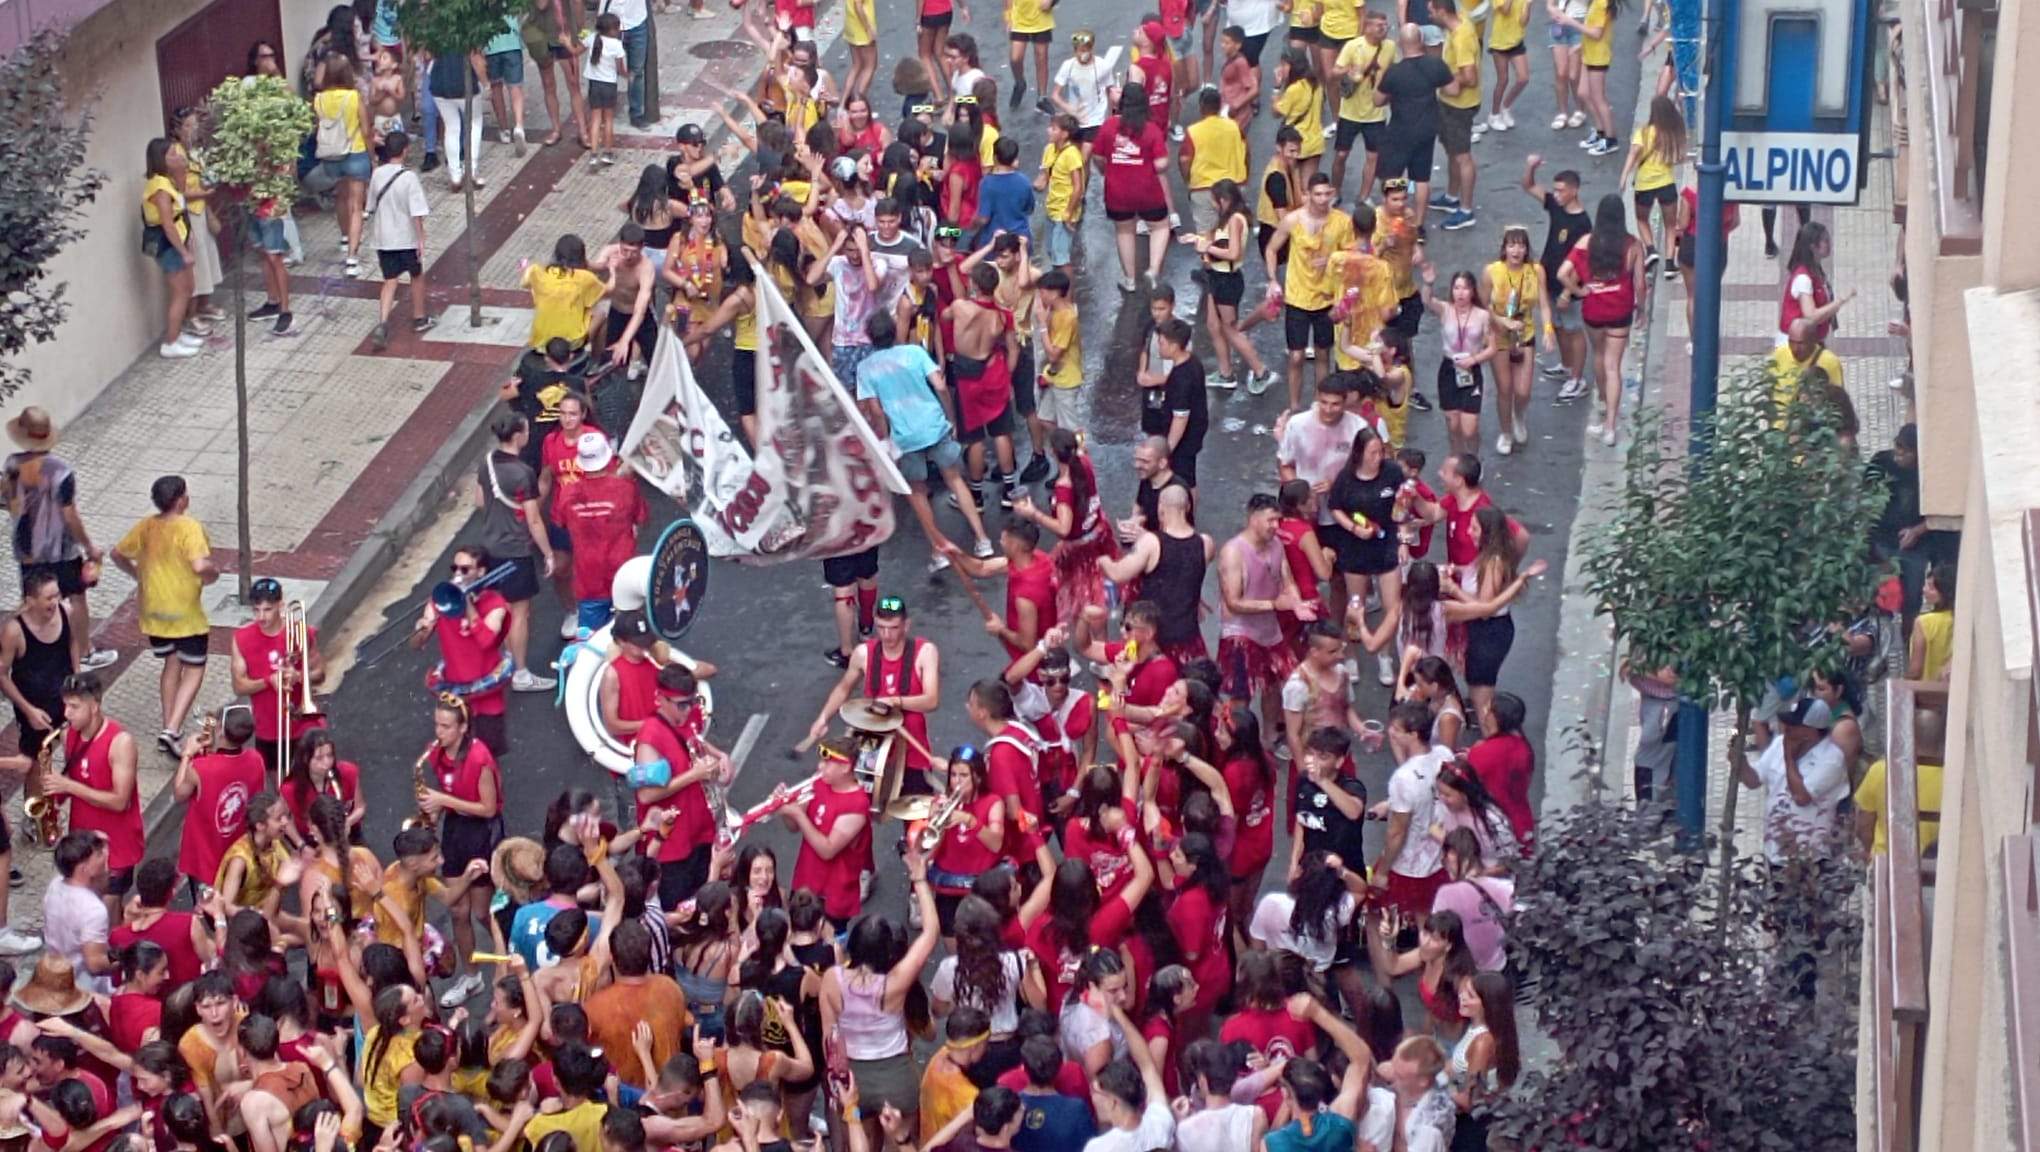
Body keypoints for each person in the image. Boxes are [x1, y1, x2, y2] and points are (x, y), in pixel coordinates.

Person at [2, 409, 114, 672]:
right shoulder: (61, 471)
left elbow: (8, 500)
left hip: (27, 549)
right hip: (59, 548)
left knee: (31, 600)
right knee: (75, 597)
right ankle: (85, 652)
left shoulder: (12, 464)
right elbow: (69, 514)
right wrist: (89, 546)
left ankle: (26, 652)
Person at [111, 477, 216, 756]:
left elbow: (117, 553)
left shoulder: (146, 526)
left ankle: (170, 728)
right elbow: (199, 564)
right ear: (181, 500)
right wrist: (212, 574)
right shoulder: (189, 527)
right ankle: (171, 729)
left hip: (153, 613)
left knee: (171, 662)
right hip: (185, 613)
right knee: (193, 668)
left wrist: (138, 576)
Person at [474, 411, 558, 692]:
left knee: (502, 607)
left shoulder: (486, 462)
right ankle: (521, 673)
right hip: (515, 550)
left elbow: (479, 501)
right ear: (518, 436)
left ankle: (508, 661)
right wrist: (547, 552)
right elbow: (534, 519)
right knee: (519, 613)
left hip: (490, 546)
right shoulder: (522, 474)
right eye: (526, 430)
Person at [1264, 174, 1356, 415]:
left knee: (1323, 353)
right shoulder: (1293, 220)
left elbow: (1352, 255)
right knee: (1296, 356)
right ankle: (1294, 405)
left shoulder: (1343, 222)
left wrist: (1333, 259)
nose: (1323, 199)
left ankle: (1320, 403)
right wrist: (1273, 280)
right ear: (1307, 195)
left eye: (1327, 194)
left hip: (1326, 297)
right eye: (1318, 194)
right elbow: (1272, 249)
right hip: (1297, 297)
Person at [1556, 194, 1643, 447]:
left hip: (1593, 309)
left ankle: (1604, 403)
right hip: (1621, 308)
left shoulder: (1586, 242)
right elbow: (1639, 283)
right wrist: (1643, 309)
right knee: (1613, 365)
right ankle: (1611, 427)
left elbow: (1562, 273)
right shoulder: (1633, 245)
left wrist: (1579, 290)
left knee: (1598, 356)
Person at [412, 543, 514, 753]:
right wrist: (421, 630)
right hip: (454, 696)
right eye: (455, 568)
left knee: (486, 762)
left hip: (487, 698)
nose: (458, 574)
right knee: (456, 758)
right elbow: (416, 643)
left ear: (481, 572)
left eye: (465, 569)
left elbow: (487, 642)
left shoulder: (495, 603)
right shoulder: (440, 600)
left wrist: (467, 605)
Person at [0, 569, 78, 840]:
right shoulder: (14, 630)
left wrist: (76, 684)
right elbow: (2, 674)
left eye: (56, 595)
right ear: (30, 600)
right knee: (34, 762)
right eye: (48, 598)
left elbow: (73, 645)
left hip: (64, 700)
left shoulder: (65, 612)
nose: (54, 602)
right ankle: (32, 815)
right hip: (34, 709)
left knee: (69, 752)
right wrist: (28, 709)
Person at [1100, 486, 1213, 667]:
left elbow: (1118, 574)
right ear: (1188, 508)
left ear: (1161, 509)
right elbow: (1187, 574)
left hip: (1153, 641)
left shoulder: (1152, 543)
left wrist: (1102, 559)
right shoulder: (1206, 543)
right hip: (1188, 639)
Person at [1732, 696, 1851, 862]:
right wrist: (1740, 762)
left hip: (1810, 858)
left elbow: (1801, 797)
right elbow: (1754, 780)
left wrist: (1789, 757)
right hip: (1774, 852)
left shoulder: (1832, 759)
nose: (1786, 727)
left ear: (1811, 731)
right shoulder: (1779, 742)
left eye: (1794, 725)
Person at [171, 705, 264, 898]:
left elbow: (179, 794)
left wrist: (187, 754)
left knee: (206, 912)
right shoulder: (256, 760)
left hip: (205, 857)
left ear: (221, 732)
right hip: (238, 851)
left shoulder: (200, 768)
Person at [1520, 156, 1593, 402]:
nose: (1556, 194)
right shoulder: (1555, 206)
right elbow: (1529, 186)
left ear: (1574, 190)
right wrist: (1530, 167)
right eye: (1555, 189)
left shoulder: (1583, 223)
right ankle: (1566, 365)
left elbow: (1581, 259)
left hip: (1567, 287)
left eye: (1561, 190)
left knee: (1573, 330)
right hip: (1548, 279)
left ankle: (1577, 378)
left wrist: (1566, 292)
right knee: (1559, 326)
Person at [1090, 85, 1174, 292]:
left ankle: (1129, 279)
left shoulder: (1109, 126)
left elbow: (1098, 157)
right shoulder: (1151, 129)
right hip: (1148, 190)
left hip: (1117, 191)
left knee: (1124, 231)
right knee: (1160, 226)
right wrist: (1149, 166)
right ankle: (1153, 270)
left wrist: (1108, 170)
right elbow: (1162, 163)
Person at [1371, 24, 1451, 230]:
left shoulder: (1395, 72)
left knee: (1392, 176)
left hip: (1399, 130)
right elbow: (1452, 88)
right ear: (1421, 41)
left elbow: (1377, 101)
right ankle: (1419, 225)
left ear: (1400, 43)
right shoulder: (1436, 65)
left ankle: (1391, 222)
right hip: (1426, 129)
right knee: (1422, 178)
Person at [1483, 226, 1552, 456]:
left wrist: (1548, 330)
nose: (1516, 250)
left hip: (1524, 332)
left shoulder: (1535, 271)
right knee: (1504, 389)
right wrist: (1501, 321)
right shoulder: (1492, 271)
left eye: (1521, 245)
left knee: (1522, 390)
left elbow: (1543, 303)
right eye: (1511, 245)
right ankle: (1505, 432)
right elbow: (1483, 305)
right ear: (1504, 248)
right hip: (1499, 334)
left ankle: (1519, 416)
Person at [1417, 265, 1497, 457]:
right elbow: (1427, 300)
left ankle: (1473, 457)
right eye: (1457, 288)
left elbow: (1493, 348)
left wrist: (1474, 359)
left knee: (1469, 428)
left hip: (1471, 370)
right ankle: (1457, 458)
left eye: (1465, 288)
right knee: (1453, 424)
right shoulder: (1445, 310)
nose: (1461, 293)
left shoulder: (1483, 315)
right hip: (1449, 369)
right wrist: (1428, 282)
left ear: (1472, 291)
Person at [365, 132, 433, 351]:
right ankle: (420, 317)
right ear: (405, 151)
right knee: (416, 276)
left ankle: (383, 321)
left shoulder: (377, 174)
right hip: (405, 238)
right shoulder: (409, 177)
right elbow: (417, 213)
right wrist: (421, 238)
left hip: (383, 238)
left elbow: (370, 205)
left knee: (389, 281)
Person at [310, 56, 374, 276]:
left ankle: (345, 238)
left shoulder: (318, 100)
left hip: (331, 156)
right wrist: (372, 155)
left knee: (340, 196)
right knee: (356, 205)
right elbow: (366, 130)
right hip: (355, 153)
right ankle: (352, 259)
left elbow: (318, 126)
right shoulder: (354, 97)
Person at [1429, 0, 1482, 230]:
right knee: (1452, 150)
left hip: (1459, 106)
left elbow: (1470, 76)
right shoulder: (1458, 21)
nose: (1429, 15)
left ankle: (1466, 210)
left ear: (1442, 12)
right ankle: (1451, 198)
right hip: (1449, 104)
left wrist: (1449, 82)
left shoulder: (1461, 37)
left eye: (1432, 11)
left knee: (1462, 156)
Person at [1619, 95, 1684, 270]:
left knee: (1641, 219)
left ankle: (1651, 249)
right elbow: (1679, 158)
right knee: (1670, 225)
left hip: (1644, 184)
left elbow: (1633, 154)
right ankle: (1670, 264)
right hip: (1666, 183)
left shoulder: (1644, 132)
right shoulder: (1672, 135)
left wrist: (1624, 176)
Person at [1908, 563, 1955, 683]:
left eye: (1931, 587)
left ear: (1944, 592)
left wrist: (1903, 681)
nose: (1924, 590)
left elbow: (1916, 670)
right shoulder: (1961, 620)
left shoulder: (1924, 623)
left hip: (1929, 692)